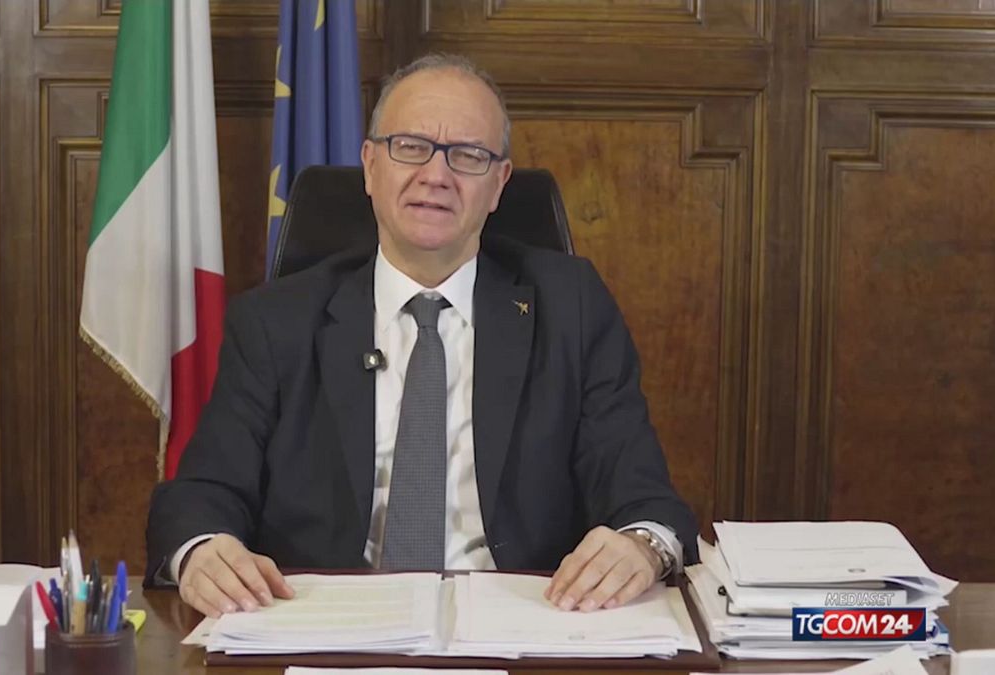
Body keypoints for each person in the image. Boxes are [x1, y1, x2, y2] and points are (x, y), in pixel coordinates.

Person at [146, 53, 698, 618]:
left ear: (499, 184)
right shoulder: (275, 321)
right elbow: (201, 494)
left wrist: (642, 545)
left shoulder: (572, 306)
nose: (436, 176)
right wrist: (202, 551)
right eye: (410, 146)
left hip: (524, 622)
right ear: (370, 166)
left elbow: (645, 495)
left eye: (469, 155)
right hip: (324, 624)